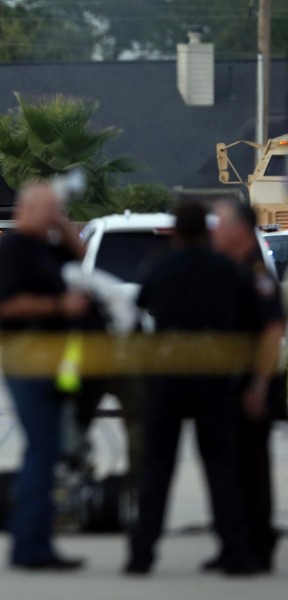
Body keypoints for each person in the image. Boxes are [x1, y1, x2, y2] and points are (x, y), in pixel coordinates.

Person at [125, 200, 257, 576]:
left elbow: (142, 302)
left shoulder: (161, 265)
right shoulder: (225, 268)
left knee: (157, 468)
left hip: (167, 375)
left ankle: (141, 554)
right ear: (207, 230)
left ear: (177, 231)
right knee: (219, 466)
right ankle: (235, 551)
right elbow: (245, 310)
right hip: (213, 375)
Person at [0, 181, 90, 570]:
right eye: (47, 209)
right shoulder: (14, 249)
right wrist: (59, 305)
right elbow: (10, 305)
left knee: (46, 451)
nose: (53, 215)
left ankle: (32, 541)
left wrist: (62, 221)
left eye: (57, 209)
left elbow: (81, 257)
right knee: (42, 450)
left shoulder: (45, 247)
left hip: (52, 362)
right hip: (26, 360)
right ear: (27, 210)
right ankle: (30, 546)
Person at [208, 200, 285, 572]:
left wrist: (258, 385)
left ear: (238, 230)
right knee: (232, 469)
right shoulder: (229, 270)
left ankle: (256, 547)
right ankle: (234, 546)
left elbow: (273, 331)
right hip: (228, 385)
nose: (215, 231)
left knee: (250, 468)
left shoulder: (256, 276)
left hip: (249, 387)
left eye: (220, 224)